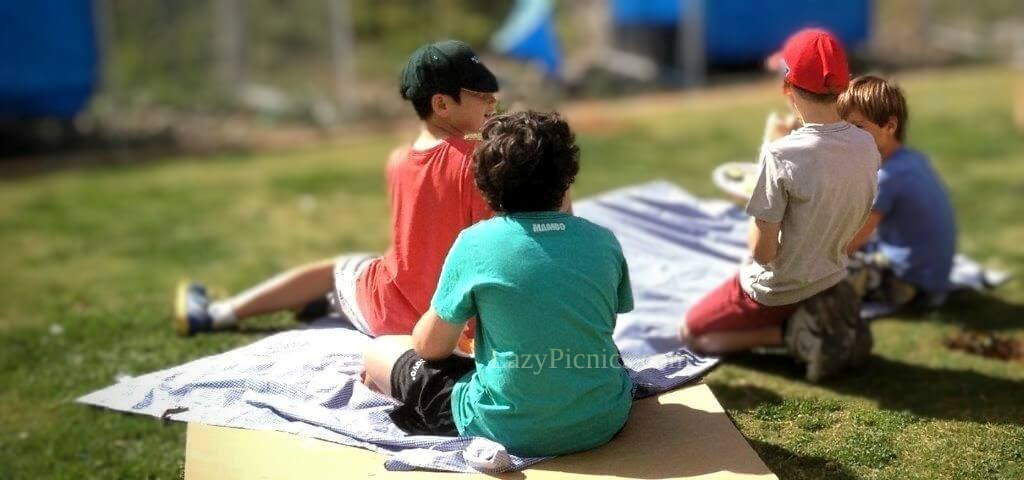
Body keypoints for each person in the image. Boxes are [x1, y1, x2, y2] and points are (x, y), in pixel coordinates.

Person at [175, 40, 501, 337]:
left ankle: (221, 313)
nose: (493, 100)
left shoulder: (399, 160)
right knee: (344, 269)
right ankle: (223, 313)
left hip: (395, 313)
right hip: (443, 325)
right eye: (480, 93)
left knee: (347, 268)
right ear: (442, 104)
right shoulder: (479, 160)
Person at [361, 111, 634, 457]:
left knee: (379, 350)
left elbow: (430, 348)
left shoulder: (475, 244)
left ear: (486, 187)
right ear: (567, 181)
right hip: (604, 418)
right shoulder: (602, 241)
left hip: (505, 427)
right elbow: (593, 320)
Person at [679, 29, 879, 381]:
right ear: (844, 85)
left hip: (778, 290)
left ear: (787, 87)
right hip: (830, 273)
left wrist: (769, 150)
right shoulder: (866, 144)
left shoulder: (781, 154)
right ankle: (819, 316)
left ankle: (799, 333)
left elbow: (762, 252)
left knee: (693, 333)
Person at [839, 75, 957, 308]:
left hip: (910, 283)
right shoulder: (913, 159)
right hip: (934, 274)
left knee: (818, 279)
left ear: (890, 126)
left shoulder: (887, 178)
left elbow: (851, 244)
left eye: (858, 127)